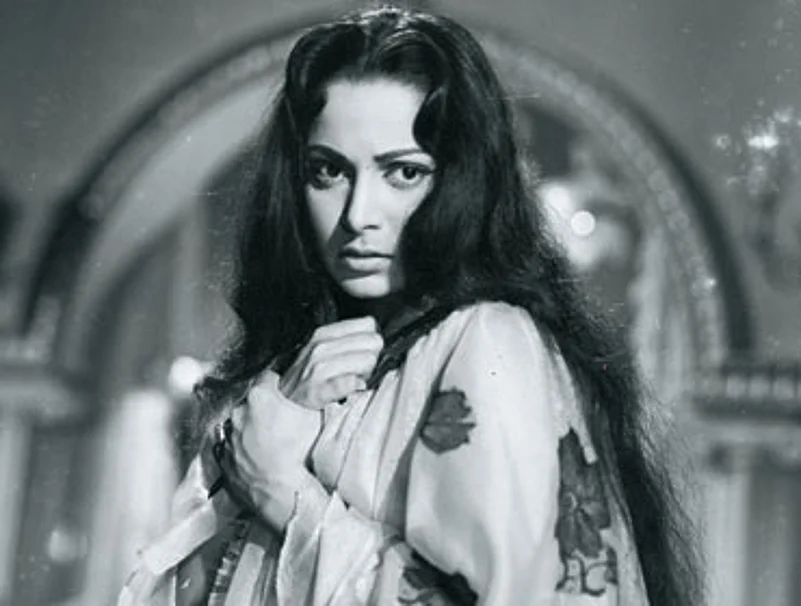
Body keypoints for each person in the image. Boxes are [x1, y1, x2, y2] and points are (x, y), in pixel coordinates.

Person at [119, 6, 701, 605]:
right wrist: (277, 419)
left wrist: (284, 495)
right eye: (329, 171)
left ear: (460, 180)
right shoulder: (305, 365)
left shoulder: (488, 341)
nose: (358, 215)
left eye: (402, 172)